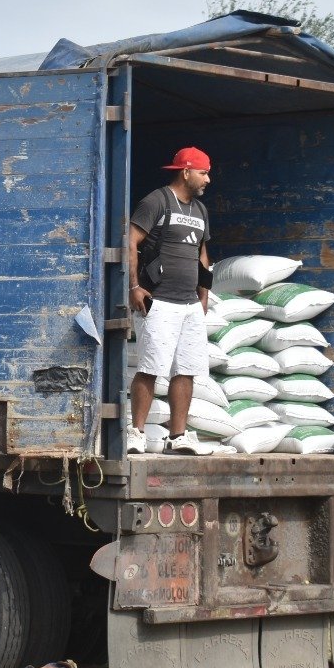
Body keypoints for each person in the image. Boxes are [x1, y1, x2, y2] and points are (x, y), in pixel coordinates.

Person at [123, 146, 216, 455]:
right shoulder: (157, 201)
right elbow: (131, 242)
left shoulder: (200, 211)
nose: (208, 179)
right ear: (185, 171)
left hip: (189, 303)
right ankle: (135, 432)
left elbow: (202, 253)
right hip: (158, 300)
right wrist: (134, 286)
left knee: (185, 370)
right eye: (203, 172)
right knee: (151, 367)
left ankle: (177, 436)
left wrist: (203, 295)